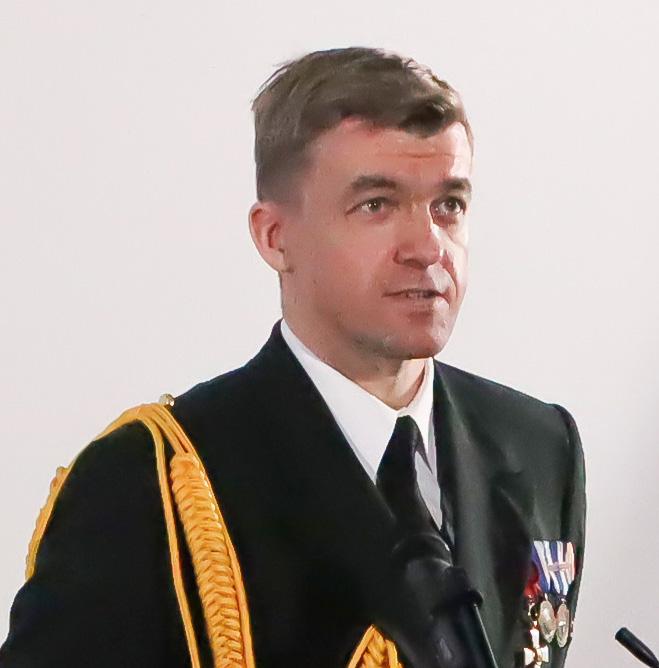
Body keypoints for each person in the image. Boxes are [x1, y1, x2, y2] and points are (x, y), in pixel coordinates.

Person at [0, 47, 585, 668]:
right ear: (275, 237)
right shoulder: (149, 482)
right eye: (376, 205)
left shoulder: (539, 448)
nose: (427, 246)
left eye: (450, 205)